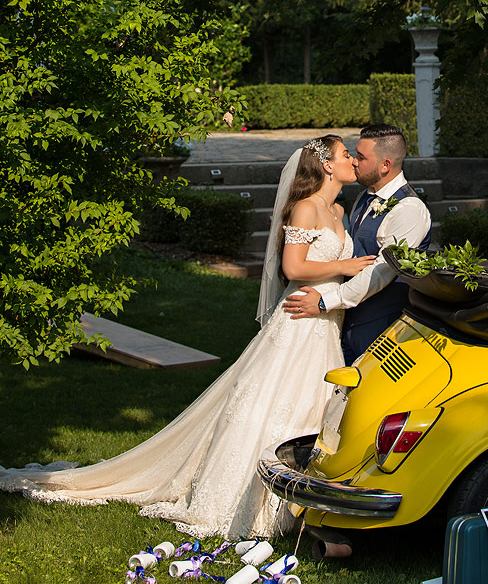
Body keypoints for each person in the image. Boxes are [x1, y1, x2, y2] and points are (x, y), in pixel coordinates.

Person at [0, 135, 375, 538]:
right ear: (327, 166)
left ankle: (303, 500)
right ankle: (245, 496)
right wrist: (347, 265)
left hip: (325, 326)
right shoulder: (306, 207)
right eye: (345, 154)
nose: (353, 160)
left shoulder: (339, 209)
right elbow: (293, 268)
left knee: (312, 405)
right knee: (272, 402)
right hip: (298, 321)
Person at [283, 123, 432, 362]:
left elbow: (382, 271)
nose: (354, 161)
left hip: (382, 328)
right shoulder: (364, 197)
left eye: (361, 157)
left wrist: (324, 302)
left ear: (385, 165)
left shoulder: (410, 209)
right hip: (343, 321)